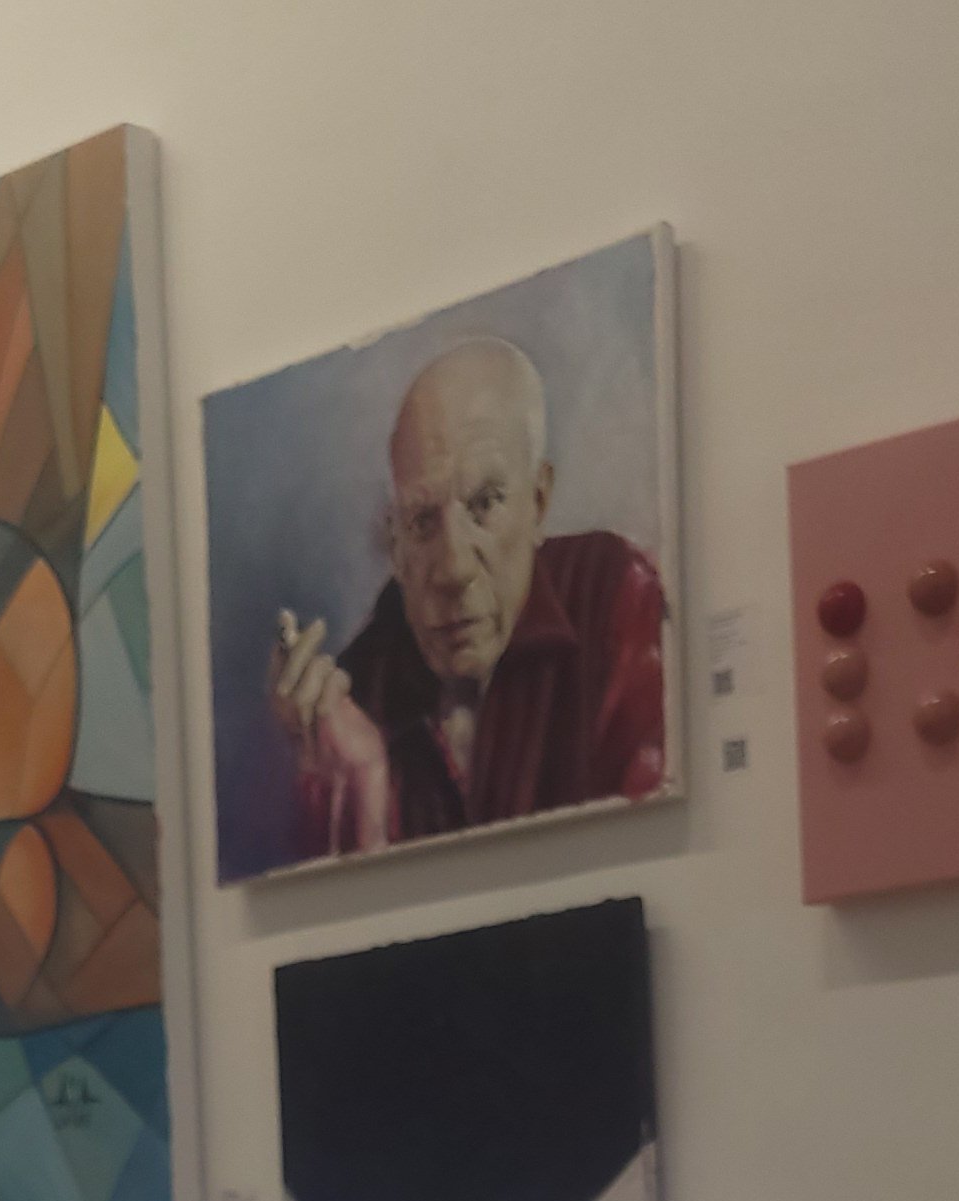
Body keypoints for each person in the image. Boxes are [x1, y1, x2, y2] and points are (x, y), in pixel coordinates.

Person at [267, 336, 665, 855]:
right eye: (422, 520)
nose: (453, 568)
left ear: (538, 503)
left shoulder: (612, 595)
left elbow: (645, 849)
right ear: (396, 546)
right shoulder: (355, 692)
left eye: (485, 503)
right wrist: (357, 789)